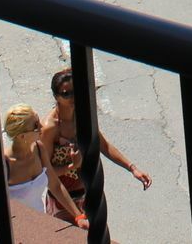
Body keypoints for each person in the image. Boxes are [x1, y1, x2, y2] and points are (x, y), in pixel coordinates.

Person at [38, 67, 152, 229]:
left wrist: (132, 168)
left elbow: (103, 145)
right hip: (62, 201)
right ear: (56, 97)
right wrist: (72, 166)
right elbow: (46, 174)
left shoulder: (83, 116)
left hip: (87, 194)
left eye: (75, 91)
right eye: (66, 93)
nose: (73, 97)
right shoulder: (50, 128)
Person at [2, 104, 78, 219]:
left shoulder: (39, 149)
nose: (42, 126)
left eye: (38, 120)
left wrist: (79, 216)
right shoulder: (4, 164)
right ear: (22, 136)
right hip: (16, 230)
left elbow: (55, 186)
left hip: (39, 226)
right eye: (36, 125)